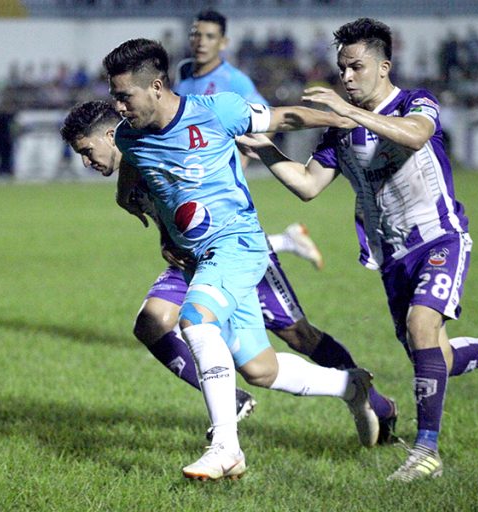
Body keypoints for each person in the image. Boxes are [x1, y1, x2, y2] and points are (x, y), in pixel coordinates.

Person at [235, 18, 478, 482]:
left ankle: (426, 452)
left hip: (439, 237)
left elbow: (415, 135)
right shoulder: (340, 130)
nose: (347, 77)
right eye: (342, 69)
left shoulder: (416, 102)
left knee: (421, 326)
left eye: (356, 67)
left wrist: (348, 112)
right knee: (432, 358)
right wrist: (267, 149)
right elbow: (309, 186)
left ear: (383, 66)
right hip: (391, 256)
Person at [101, 38, 380, 481]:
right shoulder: (129, 136)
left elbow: (284, 117)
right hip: (199, 260)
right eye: (114, 96)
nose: (117, 106)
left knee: (195, 320)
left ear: (155, 86)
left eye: (123, 96)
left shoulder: (217, 111)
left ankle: (226, 448)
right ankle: (351, 385)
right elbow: (136, 176)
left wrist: (345, 115)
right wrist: (142, 214)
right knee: (260, 370)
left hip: (239, 246)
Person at [61, 99, 399, 444]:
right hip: (193, 264)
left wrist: (340, 118)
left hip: (236, 252)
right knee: (152, 321)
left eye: (87, 151)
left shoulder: (174, 132)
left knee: (298, 336)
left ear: (110, 135)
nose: (86, 162)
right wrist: (165, 239)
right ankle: (230, 407)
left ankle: (374, 403)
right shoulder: (133, 171)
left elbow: (256, 126)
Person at [173, 9, 323, 270]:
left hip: (218, 175)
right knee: (205, 244)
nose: (201, 42)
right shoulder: (184, 71)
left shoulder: (234, 80)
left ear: (223, 43)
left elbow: (267, 118)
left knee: (208, 244)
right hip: (193, 170)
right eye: (196, 35)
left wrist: (243, 159)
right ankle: (288, 240)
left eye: (210, 36)